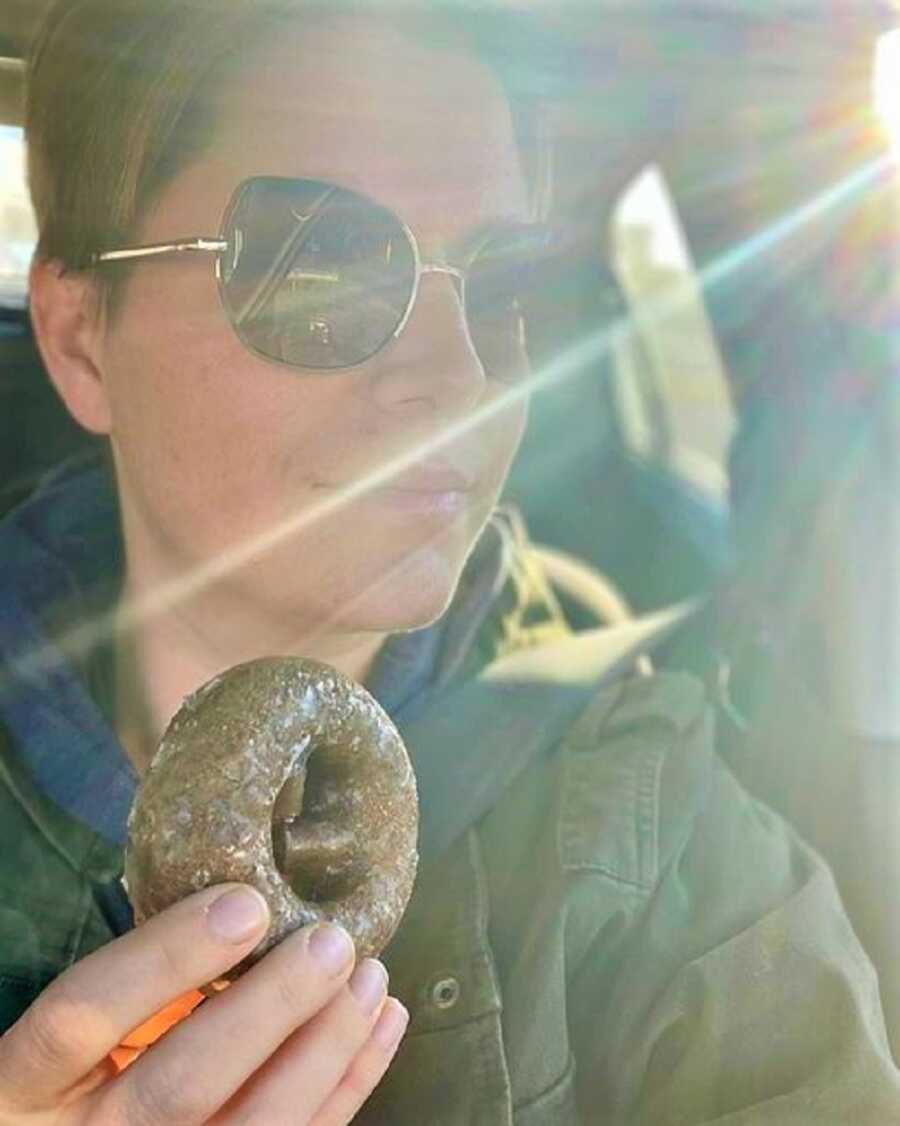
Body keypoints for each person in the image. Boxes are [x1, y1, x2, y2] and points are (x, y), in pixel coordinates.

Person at [0, 1, 898, 1122]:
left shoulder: (664, 850)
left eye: (504, 281)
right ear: (81, 337)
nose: (460, 375)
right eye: (318, 269)